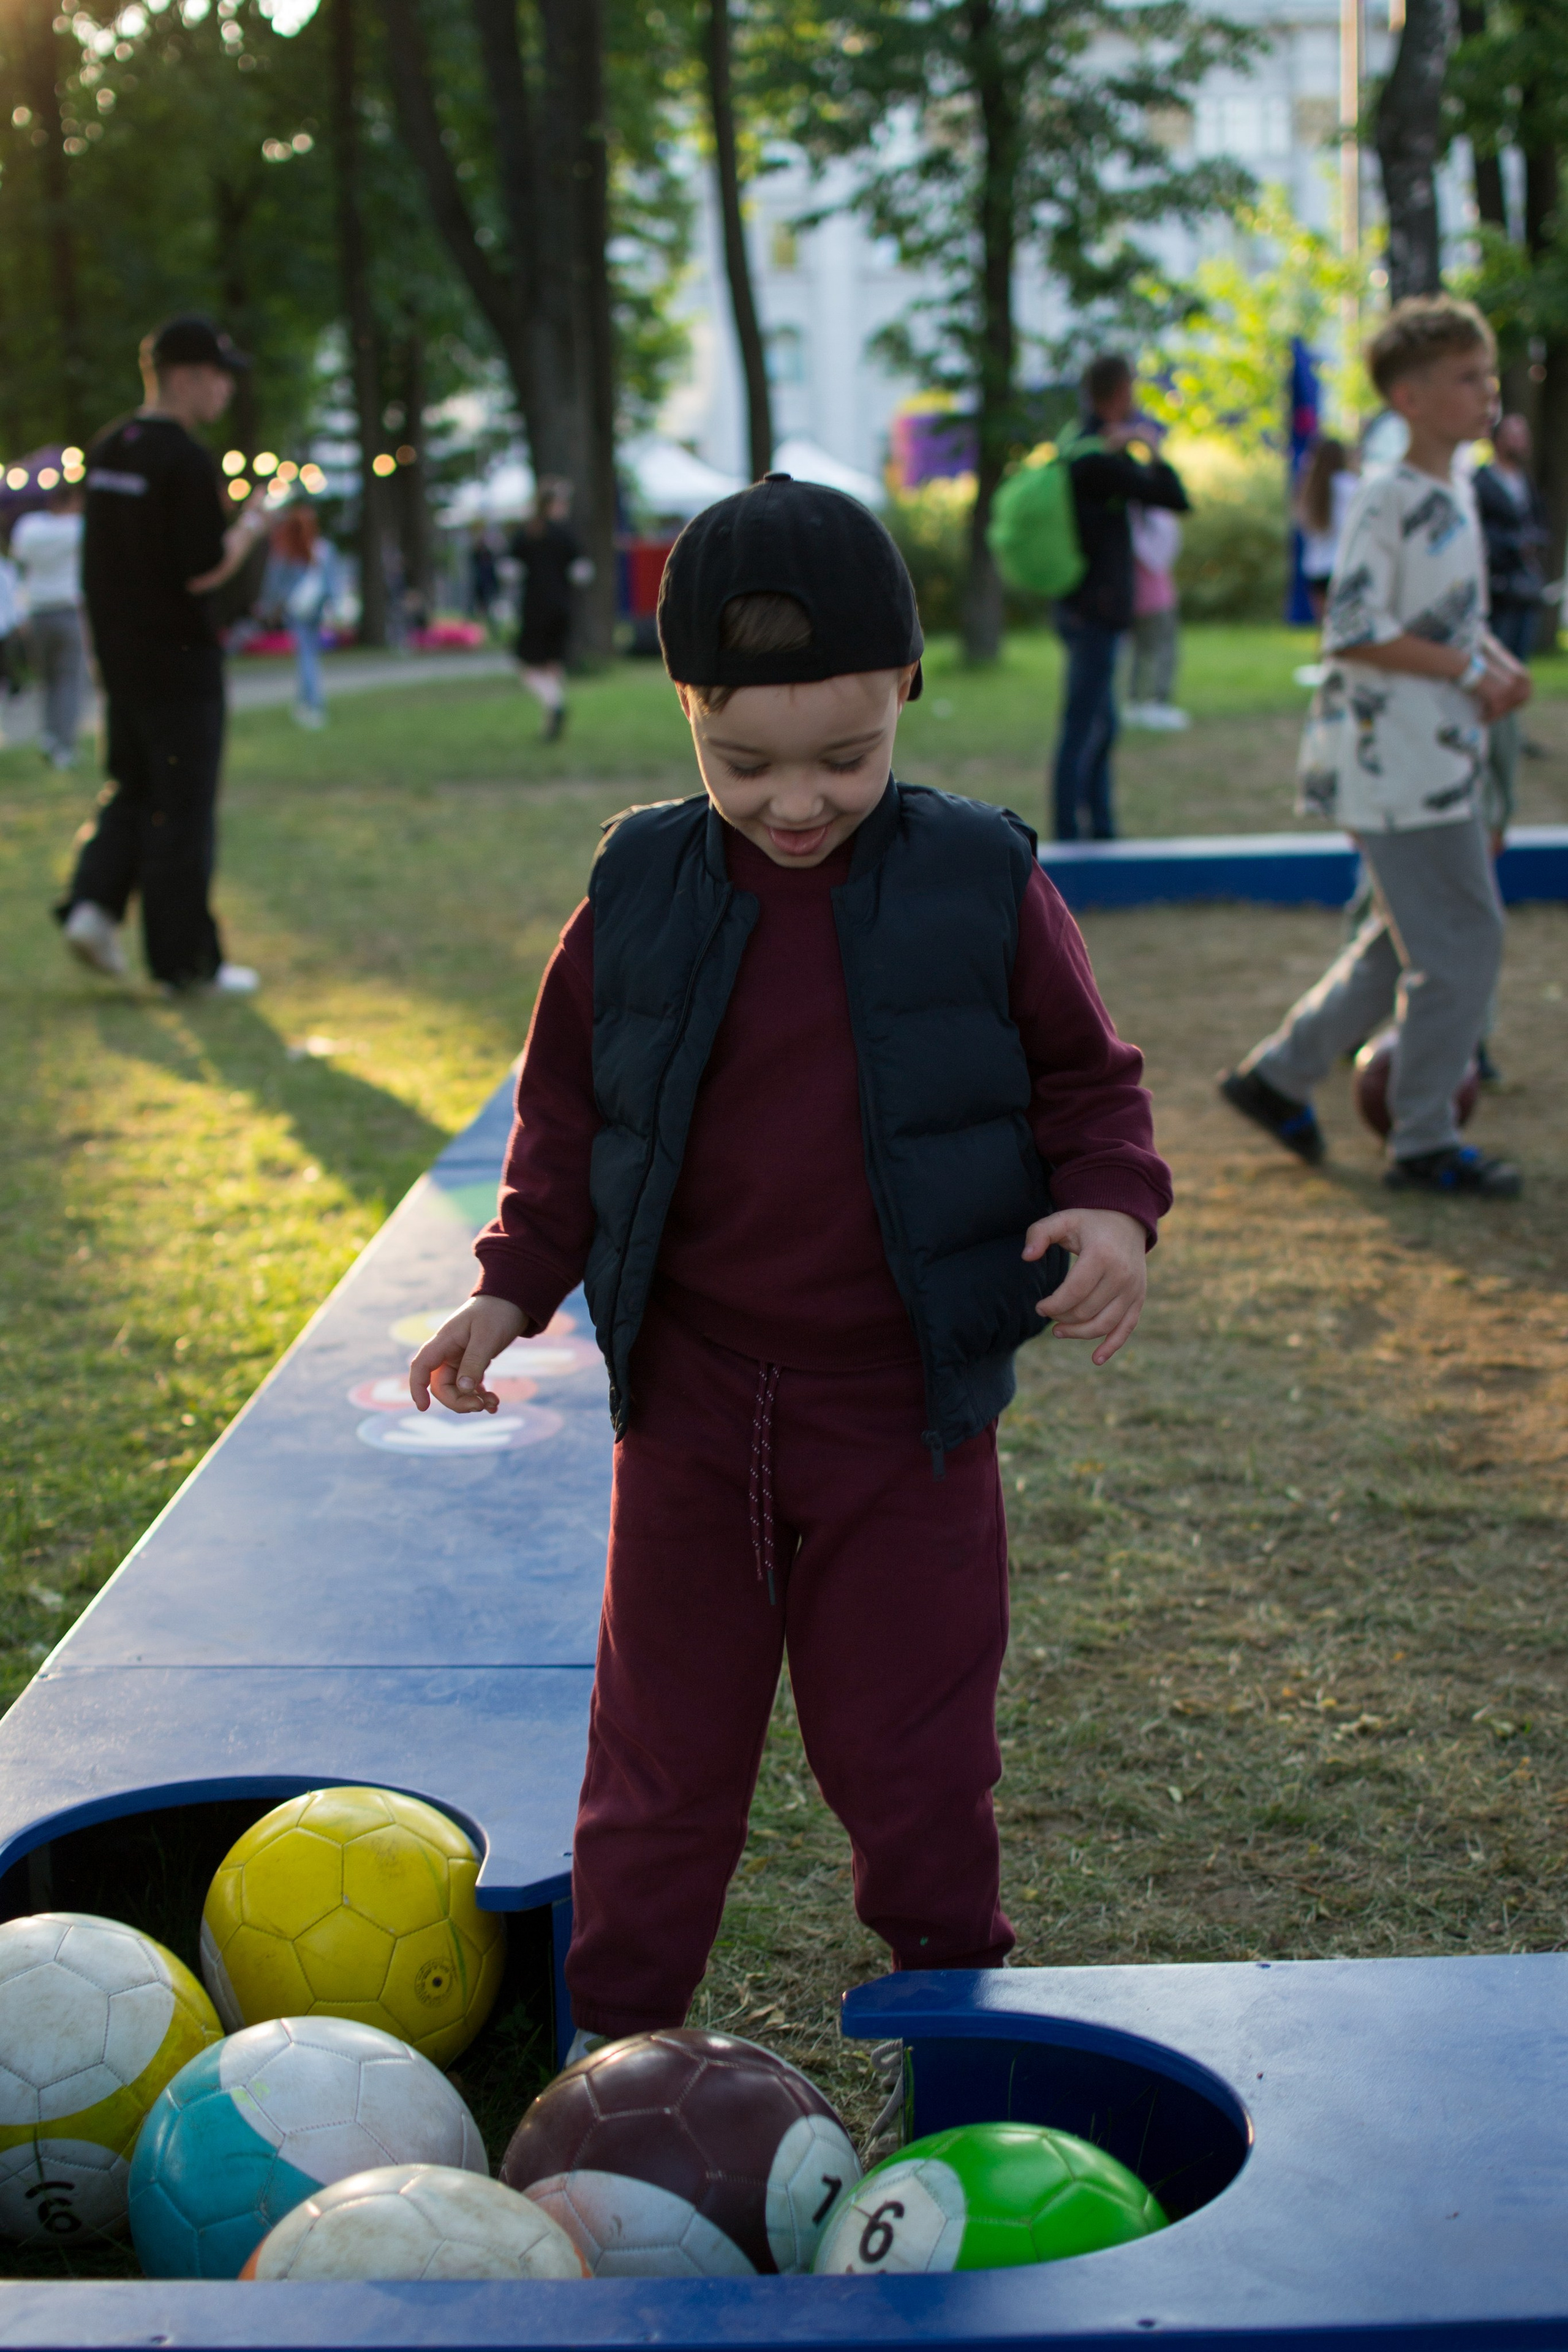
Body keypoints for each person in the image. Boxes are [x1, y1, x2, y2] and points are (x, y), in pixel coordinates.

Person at [407, 475, 1172, 2071]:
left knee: (913, 1757)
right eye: (742, 763)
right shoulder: (639, 888)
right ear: (686, 709)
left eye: (845, 757)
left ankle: (956, 2034)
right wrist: (511, 1281)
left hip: (905, 1421)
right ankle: (617, 2054)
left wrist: (1109, 1211)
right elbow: (570, 1112)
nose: (798, 802)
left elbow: (1088, 1083)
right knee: (658, 1759)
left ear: (905, 690)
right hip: (691, 1415)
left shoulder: (978, 879)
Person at [1219, 296, 1529, 1200]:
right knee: (1463, 941)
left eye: (1488, 375)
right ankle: (1423, 1140)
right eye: (1467, 377)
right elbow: (1352, 630)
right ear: (1409, 398)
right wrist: (1469, 669)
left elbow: (1442, 623)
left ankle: (1277, 1077)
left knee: (1404, 940)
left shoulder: (1452, 491)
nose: (1488, 392)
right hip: (1398, 762)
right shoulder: (1388, 496)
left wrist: (1494, 667)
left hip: (1437, 751)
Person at [55, 314, 270, 992]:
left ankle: (93, 909)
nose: (226, 391)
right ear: (185, 376)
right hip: (179, 661)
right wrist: (251, 528)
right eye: (219, 377)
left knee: (133, 784)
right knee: (182, 806)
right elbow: (201, 569)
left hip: (122, 655)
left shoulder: (109, 448)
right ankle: (185, 963)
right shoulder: (184, 459)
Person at [1051, 356, 1189, 840]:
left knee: (1100, 724)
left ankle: (1098, 828)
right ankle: (1073, 831)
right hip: (1096, 608)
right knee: (1085, 725)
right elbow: (1174, 497)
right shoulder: (1100, 460)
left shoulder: (1074, 446)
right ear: (1118, 394)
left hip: (1078, 605)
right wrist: (1149, 449)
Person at [510, 478, 592, 742]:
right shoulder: (567, 535)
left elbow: (510, 569)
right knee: (552, 663)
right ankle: (551, 717)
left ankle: (553, 704)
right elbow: (582, 572)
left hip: (535, 607)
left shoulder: (527, 533)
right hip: (562, 607)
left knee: (527, 665)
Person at [12, 482, 87, 768]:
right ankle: (63, 746)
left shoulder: (29, 527)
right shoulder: (77, 528)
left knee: (47, 680)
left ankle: (48, 735)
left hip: (37, 612)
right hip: (68, 610)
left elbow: (21, 561)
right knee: (69, 680)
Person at [266, 504, 340, 729]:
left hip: (297, 610)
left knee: (306, 656)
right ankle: (304, 702)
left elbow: (275, 584)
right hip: (316, 608)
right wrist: (333, 606)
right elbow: (331, 583)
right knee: (309, 654)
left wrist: (269, 607)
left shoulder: (288, 552)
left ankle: (313, 704)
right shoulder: (323, 548)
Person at [1121, 503, 1187, 730]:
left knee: (1138, 653)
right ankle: (1155, 703)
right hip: (1156, 599)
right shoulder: (1155, 519)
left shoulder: (1125, 518)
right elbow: (1162, 556)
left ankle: (1136, 702)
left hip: (1130, 598)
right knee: (1161, 651)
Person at [1297, 437, 1360, 624]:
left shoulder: (1310, 487)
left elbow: (1304, 527)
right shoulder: (1349, 485)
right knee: (1344, 624)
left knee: (1325, 626)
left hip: (1316, 566)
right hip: (1343, 563)